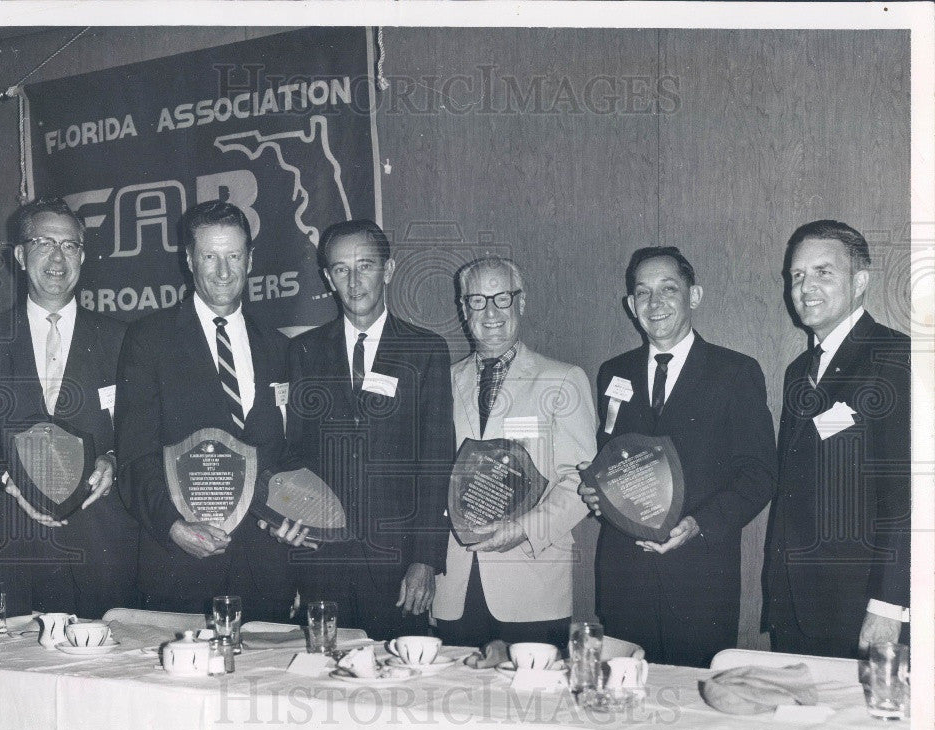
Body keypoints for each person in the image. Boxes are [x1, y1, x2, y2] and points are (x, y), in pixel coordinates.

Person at [578, 247, 776, 667]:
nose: (655, 303)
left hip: (700, 579)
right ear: (631, 306)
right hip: (623, 577)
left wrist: (699, 525)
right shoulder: (613, 373)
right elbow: (611, 462)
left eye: (669, 289)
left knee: (690, 714)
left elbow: (759, 474)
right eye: (643, 293)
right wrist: (596, 494)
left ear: (695, 296)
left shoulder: (735, 372)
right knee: (619, 708)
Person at [272, 219, 454, 640]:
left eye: (365, 266)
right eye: (340, 269)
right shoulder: (304, 351)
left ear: (388, 271)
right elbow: (294, 452)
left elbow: (436, 462)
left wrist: (425, 560)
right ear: (327, 278)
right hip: (321, 559)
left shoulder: (425, 351)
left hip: (397, 566)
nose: (354, 282)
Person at [115, 200, 292, 617]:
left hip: (265, 572)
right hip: (180, 566)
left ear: (250, 260)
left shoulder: (280, 346)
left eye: (233, 256)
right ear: (189, 260)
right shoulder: (148, 340)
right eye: (210, 257)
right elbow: (134, 456)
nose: (223, 271)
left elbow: (284, 452)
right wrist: (173, 528)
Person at [0, 197, 139, 618]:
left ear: (83, 256)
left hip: (102, 550)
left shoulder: (125, 341)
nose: (58, 257)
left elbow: (142, 433)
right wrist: (11, 480)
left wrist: (114, 460)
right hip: (12, 548)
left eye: (70, 245)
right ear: (21, 255)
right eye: (45, 242)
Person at [762, 220, 910, 658]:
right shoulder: (798, 370)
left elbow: (906, 495)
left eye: (823, 272)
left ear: (860, 281)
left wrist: (889, 604)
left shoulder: (893, 357)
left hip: (861, 606)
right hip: (795, 605)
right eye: (797, 276)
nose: (806, 286)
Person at [431, 257, 596, 649]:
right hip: (454, 585)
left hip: (533, 584)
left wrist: (523, 530)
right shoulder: (442, 381)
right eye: (477, 300)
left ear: (521, 303)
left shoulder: (563, 379)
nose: (490, 312)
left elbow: (579, 482)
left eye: (501, 298)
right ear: (462, 308)